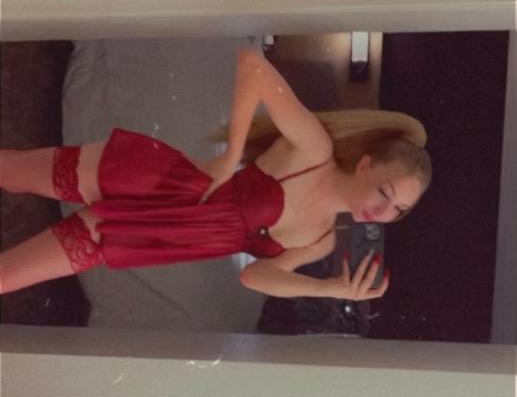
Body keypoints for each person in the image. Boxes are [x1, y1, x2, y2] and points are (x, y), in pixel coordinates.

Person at [0, 48, 431, 299]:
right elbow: (253, 65)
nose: (383, 211)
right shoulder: (315, 150)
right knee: (10, 171)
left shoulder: (321, 241)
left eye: (399, 210)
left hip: (148, 235)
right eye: (385, 192)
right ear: (365, 164)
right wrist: (231, 156)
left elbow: (254, 276)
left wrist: (330, 289)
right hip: (152, 179)